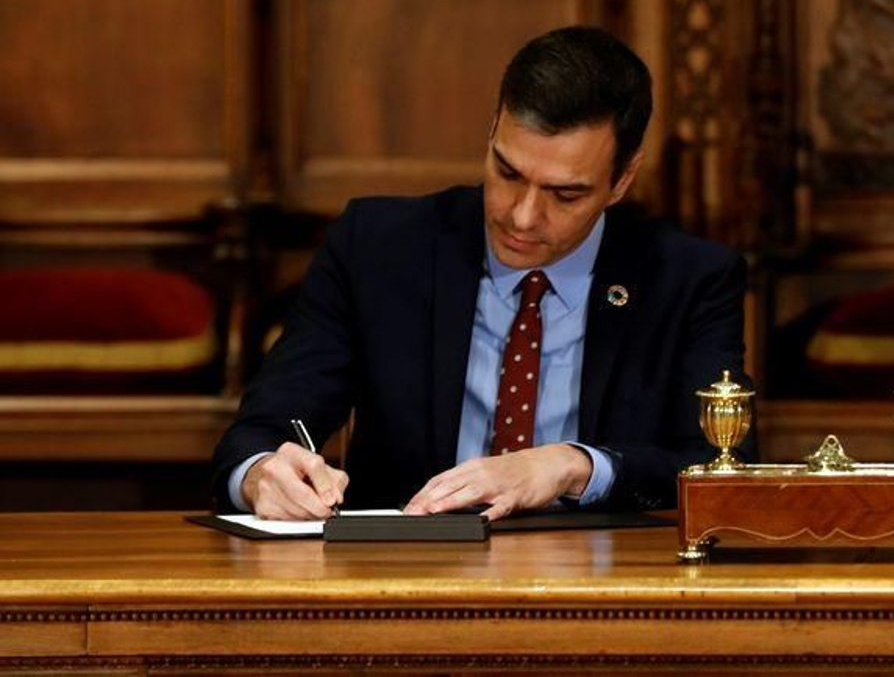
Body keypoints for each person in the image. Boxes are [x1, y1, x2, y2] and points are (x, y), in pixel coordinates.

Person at [212, 26, 751, 520]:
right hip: (405, 587)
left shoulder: (687, 279)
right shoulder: (379, 248)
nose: (522, 216)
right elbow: (261, 432)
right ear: (492, 131)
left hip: (602, 590)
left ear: (622, 181)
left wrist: (575, 466)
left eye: (566, 194)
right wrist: (263, 475)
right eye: (508, 172)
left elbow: (723, 468)